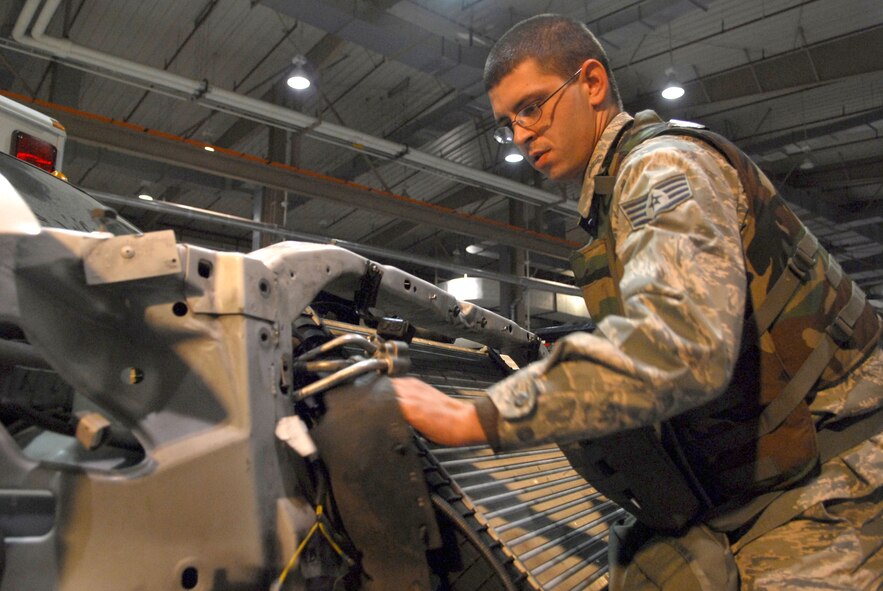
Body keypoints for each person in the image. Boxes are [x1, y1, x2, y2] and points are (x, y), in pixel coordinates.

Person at [392, 13, 883, 591]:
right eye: (508, 124)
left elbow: (680, 347)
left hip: (845, 473)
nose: (521, 135)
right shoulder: (612, 196)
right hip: (768, 481)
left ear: (592, 83)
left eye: (531, 107)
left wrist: (473, 415)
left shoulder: (660, 167)